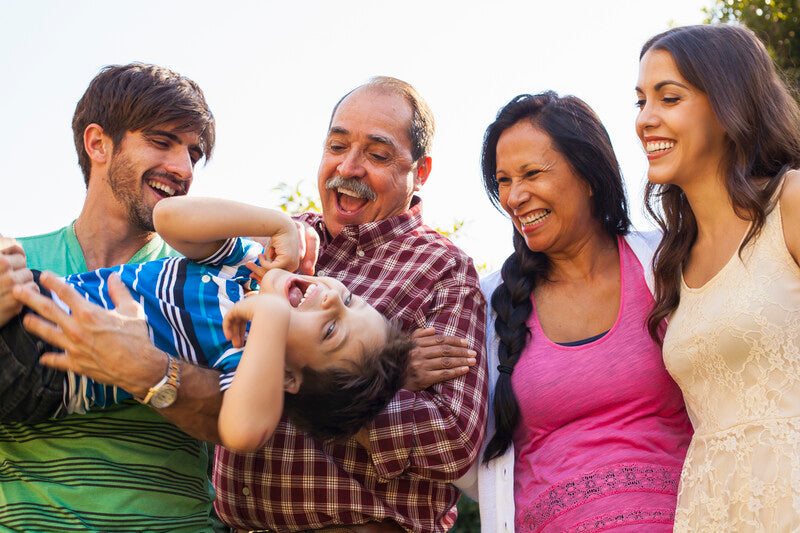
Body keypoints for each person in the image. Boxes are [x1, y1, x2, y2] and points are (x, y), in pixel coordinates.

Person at [213, 76, 488, 533]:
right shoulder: (278, 240)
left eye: (377, 155)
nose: (350, 166)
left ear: (420, 172)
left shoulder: (443, 268)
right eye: (337, 146)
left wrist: (343, 393)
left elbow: (455, 436)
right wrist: (395, 377)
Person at [0, 63, 225, 532]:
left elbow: (239, 419)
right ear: (98, 143)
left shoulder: (204, 282)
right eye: (163, 142)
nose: (183, 169)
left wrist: (149, 370)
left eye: (194, 153)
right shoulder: (16, 264)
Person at [3, 196, 412, 452]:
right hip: (40, 297)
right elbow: (168, 216)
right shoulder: (246, 266)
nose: (328, 298)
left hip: (40, 362)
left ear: (287, 375)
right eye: (348, 299)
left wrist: (268, 317)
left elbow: (243, 433)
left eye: (330, 331)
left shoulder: (246, 355)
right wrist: (277, 224)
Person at [456, 92, 693, 532]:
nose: (514, 196)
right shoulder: (485, 304)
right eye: (503, 180)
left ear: (588, 174)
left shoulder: (667, 261)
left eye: (531, 173)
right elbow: (466, 453)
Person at [635, 24, 800, 531]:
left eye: (669, 97)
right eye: (640, 101)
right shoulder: (670, 262)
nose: (646, 119)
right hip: (709, 507)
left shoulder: (790, 202)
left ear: (728, 106)